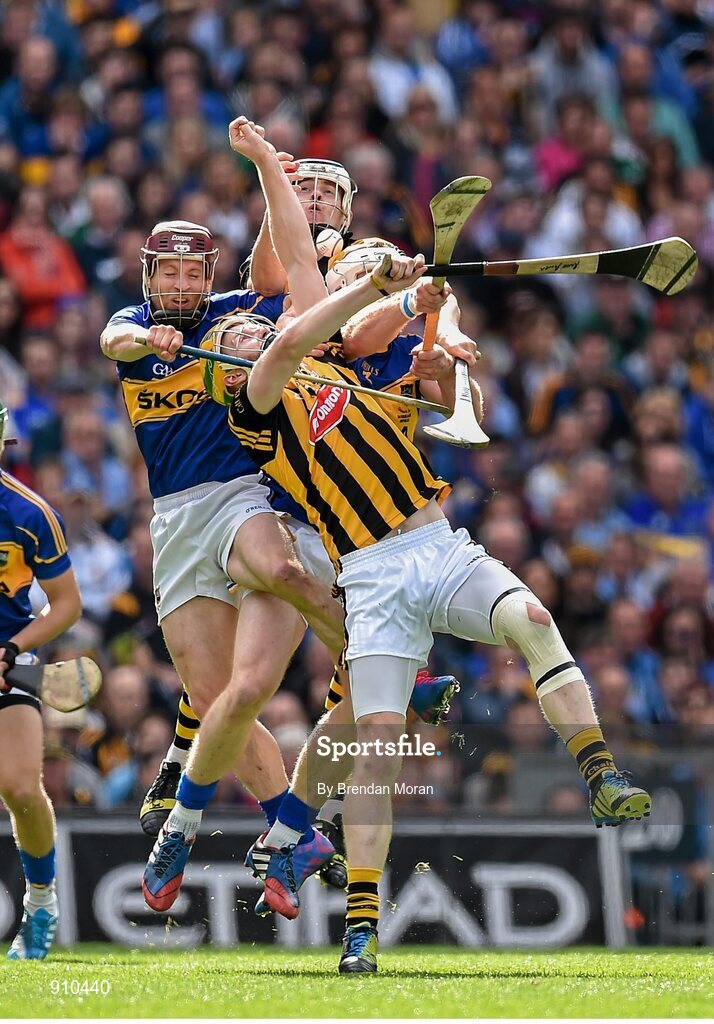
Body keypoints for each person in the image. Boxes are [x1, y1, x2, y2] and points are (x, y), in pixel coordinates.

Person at [202, 250, 651, 973]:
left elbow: (419, 372)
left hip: (436, 542)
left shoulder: (353, 367)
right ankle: (361, 928)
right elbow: (294, 339)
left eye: (254, 330)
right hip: (370, 578)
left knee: (532, 620)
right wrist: (399, 297)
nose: (254, 333)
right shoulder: (255, 401)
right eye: (237, 339)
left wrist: (432, 315)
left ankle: (601, 774)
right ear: (228, 366)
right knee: (375, 748)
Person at [101, 118, 351, 912]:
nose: (179, 285)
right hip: (172, 518)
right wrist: (155, 344)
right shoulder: (137, 325)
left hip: (240, 494)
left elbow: (280, 287)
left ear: (208, 273)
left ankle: (386, 659)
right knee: (219, 704)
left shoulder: (234, 311)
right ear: (149, 276)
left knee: (279, 566)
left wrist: (265, 174)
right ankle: (292, 828)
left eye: (189, 273)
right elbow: (114, 341)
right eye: (167, 272)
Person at [0, 400, 82, 959]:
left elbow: (67, 605)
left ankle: (41, 901)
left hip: (11, 660)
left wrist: (11, 647)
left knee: (22, 788)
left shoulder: (29, 513)